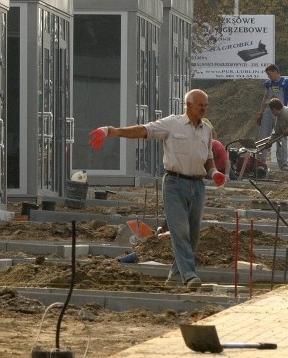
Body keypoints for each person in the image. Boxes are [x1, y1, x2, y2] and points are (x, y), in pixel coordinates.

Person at [89, 89, 225, 290]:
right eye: (200, 105)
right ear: (188, 105)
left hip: (198, 185)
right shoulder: (172, 124)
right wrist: (113, 131)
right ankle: (189, 276)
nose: (204, 109)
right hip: (174, 184)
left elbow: (207, 159)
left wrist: (214, 173)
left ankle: (175, 276)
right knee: (180, 231)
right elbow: (143, 130)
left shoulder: (206, 130)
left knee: (193, 235)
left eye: (206, 105)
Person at [256, 64, 288, 170]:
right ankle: (260, 163)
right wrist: (261, 112)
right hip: (268, 112)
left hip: (281, 113)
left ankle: (283, 164)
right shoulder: (268, 83)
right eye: (267, 75)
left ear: (276, 71)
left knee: (281, 137)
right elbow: (265, 98)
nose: (269, 77)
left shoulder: (286, 83)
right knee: (263, 136)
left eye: (270, 74)